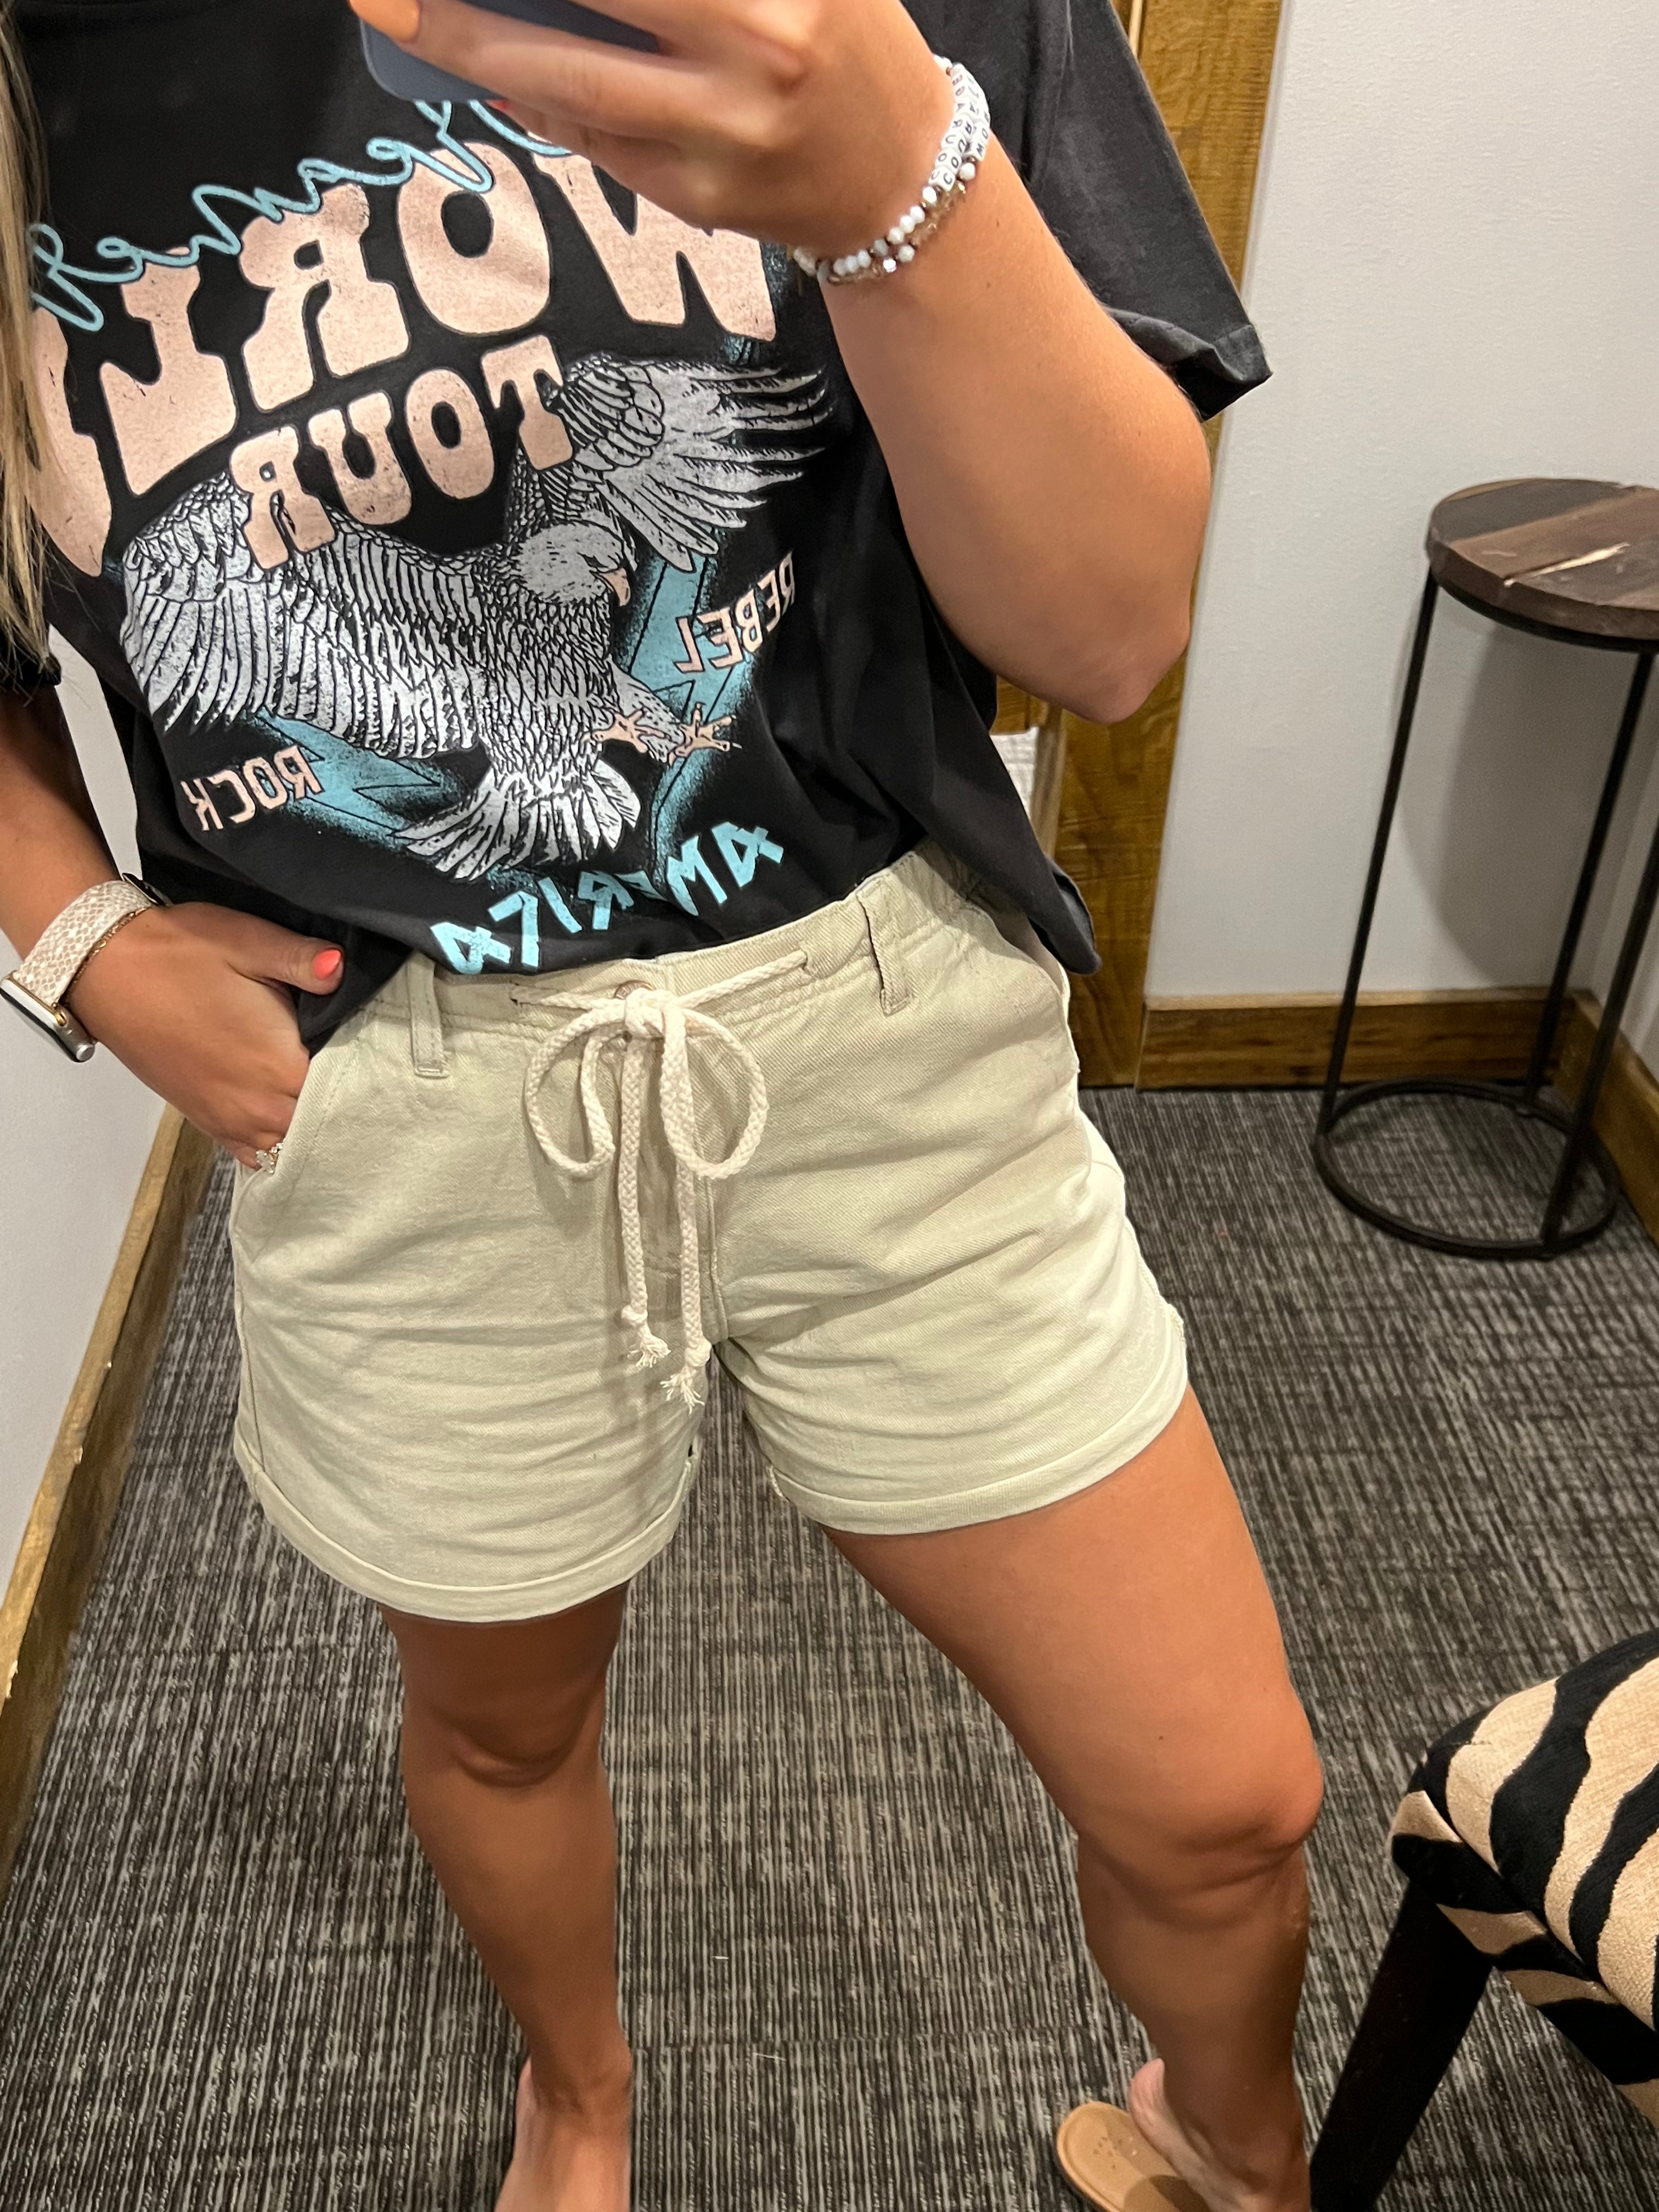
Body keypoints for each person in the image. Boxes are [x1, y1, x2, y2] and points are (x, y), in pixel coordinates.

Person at [0, 1, 1323, 2206]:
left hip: (886, 1020)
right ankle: (581, 2091)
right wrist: (82, 945)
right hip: (414, 1100)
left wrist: (890, 169)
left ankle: (1236, 2142)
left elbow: (1102, 637)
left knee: (1225, 1804)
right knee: (506, 1726)